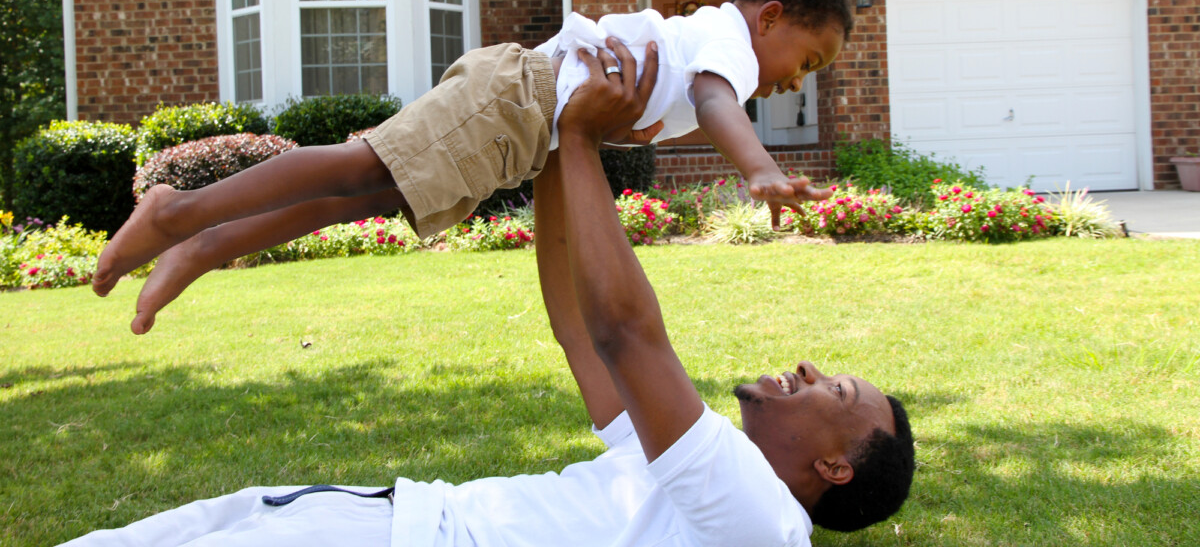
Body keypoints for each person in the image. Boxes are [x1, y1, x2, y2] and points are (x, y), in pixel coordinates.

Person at [63, 42, 914, 547]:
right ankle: (197, 235)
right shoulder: (689, 493)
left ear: (834, 468)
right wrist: (555, 151)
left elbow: (626, 333)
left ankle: (191, 226)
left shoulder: (759, 517)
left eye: (838, 389)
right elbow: (581, 332)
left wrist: (580, 138)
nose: (810, 367)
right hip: (386, 518)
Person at [93, 0, 852, 335]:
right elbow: (717, 100)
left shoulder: (720, 42)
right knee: (359, 168)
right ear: (772, 15)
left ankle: (202, 247)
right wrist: (756, 168)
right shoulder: (732, 48)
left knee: (365, 193)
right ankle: (177, 213)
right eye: (808, 60)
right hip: (514, 100)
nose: (798, 79)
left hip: (521, 128)